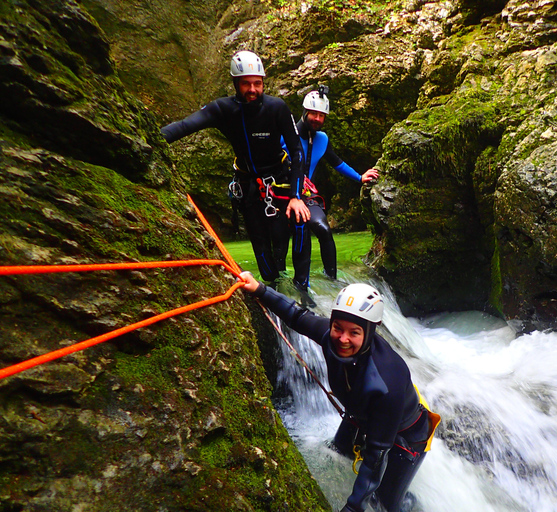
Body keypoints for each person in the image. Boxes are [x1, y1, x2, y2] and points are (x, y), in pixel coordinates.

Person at [240, 271, 440, 512]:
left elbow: (376, 456)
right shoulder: (329, 336)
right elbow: (296, 315)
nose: (342, 339)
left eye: (354, 332)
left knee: (385, 502)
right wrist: (259, 289)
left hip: (406, 435)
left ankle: (409, 504)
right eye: (337, 327)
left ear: (369, 333)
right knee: (336, 452)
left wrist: (353, 507)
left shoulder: (389, 381)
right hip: (361, 413)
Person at [161, 50, 311, 290]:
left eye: (257, 84)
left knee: (284, 236)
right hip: (249, 186)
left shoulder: (277, 108)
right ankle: (273, 289)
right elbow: (183, 127)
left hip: (279, 182)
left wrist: (296, 196)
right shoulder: (223, 110)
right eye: (246, 84)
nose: (252, 90)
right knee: (262, 250)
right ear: (235, 84)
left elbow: (297, 151)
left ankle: (299, 290)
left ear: (263, 83)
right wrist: (149, 137)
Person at [289, 86, 379, 280]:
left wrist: (360, 177)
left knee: (324, 229)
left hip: (304, 196)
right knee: (283, 241)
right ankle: (284, 284)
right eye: (313, 113)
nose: (317, 119)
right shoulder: (287, 135)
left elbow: (337, 162)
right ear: (304, 112)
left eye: (322, 115)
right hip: (282, 195)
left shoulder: (321, 139)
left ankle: (332, 280)